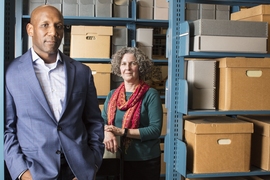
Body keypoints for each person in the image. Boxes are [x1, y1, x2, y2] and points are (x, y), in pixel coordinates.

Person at [4, 5, 104, 180]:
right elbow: (7, 129)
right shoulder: (11, 73)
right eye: (45, 25)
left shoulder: (82, 72)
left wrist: (92, 164)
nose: (53, 32)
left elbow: (94, 122)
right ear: (30, 29)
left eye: (58, 26)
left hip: (78, 171)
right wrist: (22, 172)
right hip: (35, 170)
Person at [102, 47, 163, 180]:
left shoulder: (150, 94)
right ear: (119, 68)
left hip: (144, 161)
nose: (127, 68)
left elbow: (155, 130)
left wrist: (122, 131)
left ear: (140, 67)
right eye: (123, 63)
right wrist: (107, 132)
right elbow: (102, 122)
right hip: (115, 158)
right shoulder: (112, 95)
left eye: (133, 63)